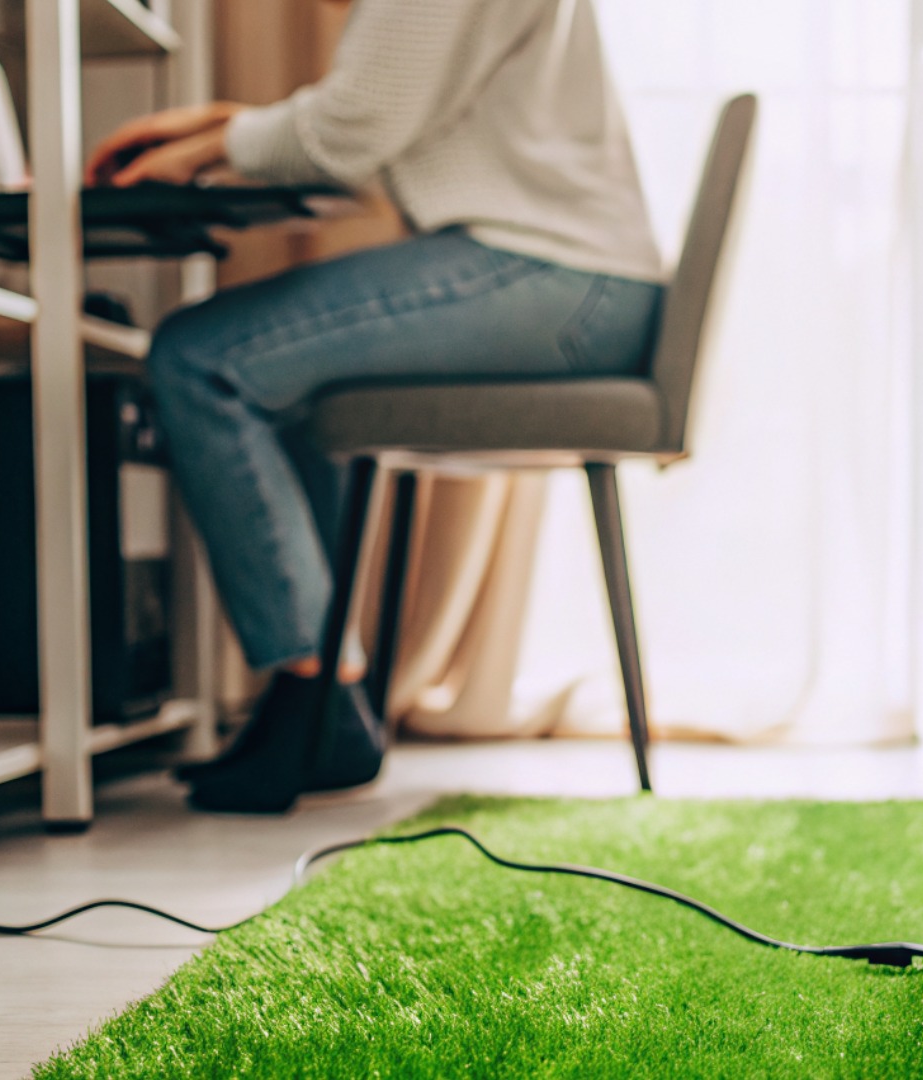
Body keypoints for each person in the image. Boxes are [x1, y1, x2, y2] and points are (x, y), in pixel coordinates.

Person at [86, 0, 662, 813]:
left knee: (200, 358)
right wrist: (227, 127)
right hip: (583, 282)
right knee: (280, 381)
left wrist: (216, 142)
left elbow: (352, 131)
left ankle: (312, 691)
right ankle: (328, 698)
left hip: (553, 278)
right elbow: (378, 115)